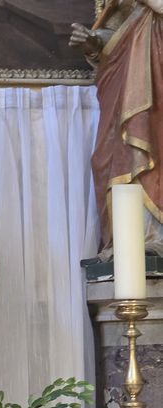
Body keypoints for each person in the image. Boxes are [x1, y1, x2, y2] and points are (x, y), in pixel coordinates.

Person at [69, 0, 163, 256]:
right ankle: (134, 236)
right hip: (129, 87)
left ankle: (157, 236)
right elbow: (118, 31)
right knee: (113, 157)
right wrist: (93, 41)